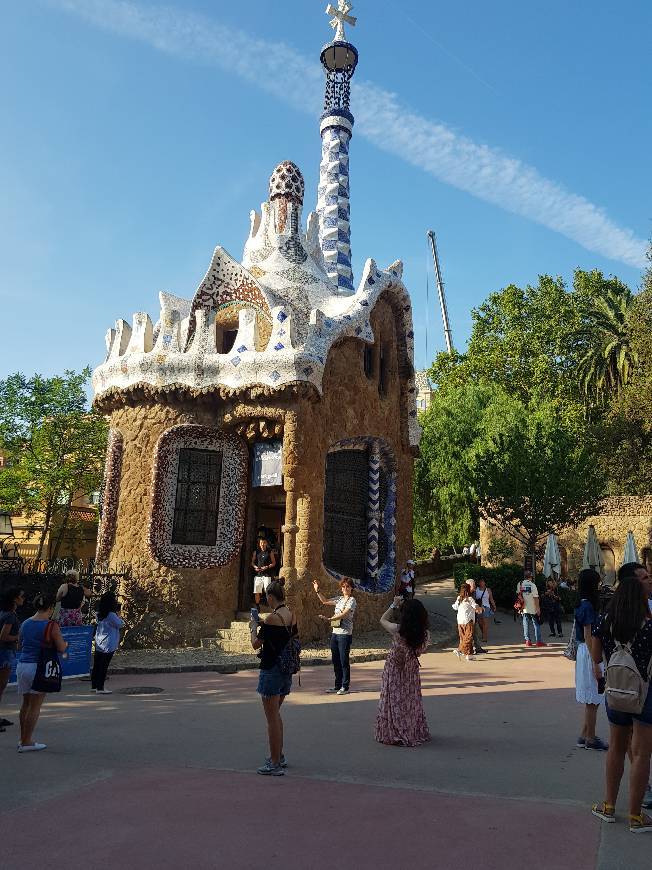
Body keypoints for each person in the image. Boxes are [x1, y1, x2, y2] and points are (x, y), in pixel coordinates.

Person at [591, 562, 652, 833]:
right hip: (646, 694)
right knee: (641, 753)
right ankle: (636, 816)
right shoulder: (649, 625)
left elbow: (595, 657)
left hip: (615, 693)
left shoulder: (605, 620)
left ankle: (608, 806)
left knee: (616, 747)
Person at [250, 580, 297, 776]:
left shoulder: (271, 618)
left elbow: (256, 644)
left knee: (272, 719)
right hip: (286, 669)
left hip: (271, 669)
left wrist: (253, 627)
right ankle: (280, 755)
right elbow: (286, 636)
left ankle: (274, 762)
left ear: (270, 597)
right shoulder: (291, 615)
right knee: (276, 715)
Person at [16, 591, 68, 752]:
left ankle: (23, 738)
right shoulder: (51, 625)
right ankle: (27, 742)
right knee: (35, 706)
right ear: (50, 608)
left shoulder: (25, 623)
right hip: (38, 667)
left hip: (23, 665)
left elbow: (19, 645)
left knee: (26, 703)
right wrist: (65, 646)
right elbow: (60, 647)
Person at [375, 597, 431, 746]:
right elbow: (419, 651)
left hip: (394, 670)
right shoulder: (425, 635)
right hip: (411, 671)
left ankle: (394, 730)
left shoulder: (397, 630)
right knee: (410, 702)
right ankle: (411, 729)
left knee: (394, 701)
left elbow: (382, 619)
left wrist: (393, 605)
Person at [574, 569, 608, 751]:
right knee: (593, 699)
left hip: (583, 650)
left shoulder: (582, 603)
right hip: (589, 650)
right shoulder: (588, 606)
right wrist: (596, 662)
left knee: (591, 696)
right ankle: (591, 738)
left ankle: (584, 734)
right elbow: (589, 635)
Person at [313, 577, 357, 694]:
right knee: (336, 660)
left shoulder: (352, 600)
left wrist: (328, 619)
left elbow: (344, 614)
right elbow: (325, 601)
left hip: (345, 634)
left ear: (351, 588)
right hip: (335, 633)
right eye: (343, 586)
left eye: (347, 586)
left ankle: (345, 686)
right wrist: (317, 590)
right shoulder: (339, 599)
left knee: (344, 660)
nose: (345, 588)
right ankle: (337, 685)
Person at [0, 587, 25, 732]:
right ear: (15, 599)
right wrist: (18, 637)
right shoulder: (10, 615)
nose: (23, 598)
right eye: (21, 596)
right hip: (5, 653)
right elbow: (3, 636)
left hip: (5, 652)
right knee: (1, 686)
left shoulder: (6, 613)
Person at [91, 591, 124, 694]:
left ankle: (94, 685)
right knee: (104, 666)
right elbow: (120, 624)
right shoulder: (111, 615)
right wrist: (119, 616)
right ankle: (100, 688)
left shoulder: (100, 613)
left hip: (99, 641)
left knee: (97, 665)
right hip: (108, 643)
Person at [452, 583, 483, 661]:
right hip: (468, 621)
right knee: (468, 637)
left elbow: (455, 607)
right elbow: (475, 606)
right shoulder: (470, 599)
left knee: (463, 637)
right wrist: (481, 609)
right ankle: (459, 650)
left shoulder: (459, 598)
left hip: (460, 621)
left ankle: (469, 655)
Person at [517, 571, 545, 647]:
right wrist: (538, 608)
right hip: (533, 608)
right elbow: (536, 598)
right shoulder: (532, 585)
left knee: (525, 624)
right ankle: (538, 642)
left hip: (524, 608)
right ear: (531, 577)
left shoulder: (520, 584)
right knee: (536, 624)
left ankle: (527, 641)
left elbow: (519, 595)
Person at [251, 536, 277, 606]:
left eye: (264, 543)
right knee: (257, 590)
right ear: (259, 544)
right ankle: (257, 606)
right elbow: (252, 562)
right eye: (261, 543)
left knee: (267, 590)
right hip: (258, 574)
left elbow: (274, 563)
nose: (262, 544)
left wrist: (267, 567)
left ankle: (270, 605)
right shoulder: (256, 552)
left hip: (267, 574)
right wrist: (255, 567)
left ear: (266, 543)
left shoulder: (269, 552)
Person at [466, 578, 486, 653]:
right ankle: (468, 649)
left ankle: (477, 648)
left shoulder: (473, 593)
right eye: (473, 585)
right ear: (469, 586)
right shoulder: (465, 594)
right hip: (468, 618)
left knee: (475, 632)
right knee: (469, 634)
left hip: (474, 616)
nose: (475, 587)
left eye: (474, 585)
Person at [474, 577, 496, 644]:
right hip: (479, 607)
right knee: (480, 622)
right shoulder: (476, 590)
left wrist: (494, 606)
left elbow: (491, 599)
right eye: (480, 582)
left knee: (485, 622)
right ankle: (484, 632)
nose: (481, 583)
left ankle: (485, 637)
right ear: (478, 583)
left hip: (486, 607)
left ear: (485, 582)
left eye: (483, 581)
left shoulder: (488, 590)